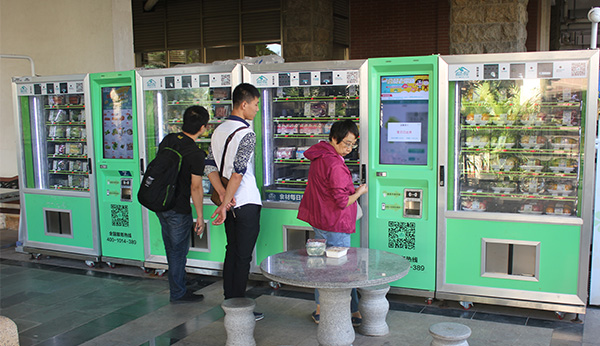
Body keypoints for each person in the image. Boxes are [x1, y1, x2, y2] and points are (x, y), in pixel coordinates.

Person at [297, 119, 368, 326]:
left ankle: (322, 310)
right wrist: (359, 192)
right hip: (335, 223)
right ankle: (351, 311)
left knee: (323, 267)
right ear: (334, 139)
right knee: (342, 269)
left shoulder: (320, 155)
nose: (349, 148)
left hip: (320, 219)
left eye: (353, 144)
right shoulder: (335, 164)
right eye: (346, 143)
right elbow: (342, 201)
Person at [205, 83, 264, 321]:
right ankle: (239, 308)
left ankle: (229, 299)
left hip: (229, 201)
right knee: (243, 257)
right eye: (256, 104)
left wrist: (222, 198)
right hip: (246, 202)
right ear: (244, 104)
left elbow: (209, 165)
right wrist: (226, 202)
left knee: (232, 251)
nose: (258, 109)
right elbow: (238, 173)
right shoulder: (247, 133)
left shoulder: (219, 130)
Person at [155, 105, 209, 304]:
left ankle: (178, 283)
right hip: (178, 208)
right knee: (178, 252)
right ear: (203, 127)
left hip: (161, 203)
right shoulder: (195, 154)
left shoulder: (169, 139)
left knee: (171, 248)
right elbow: (196, 188)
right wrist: (200, 216)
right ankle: (178, 292)